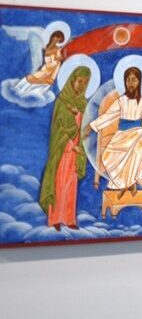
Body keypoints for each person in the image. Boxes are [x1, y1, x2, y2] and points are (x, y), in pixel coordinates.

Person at [89, 67, 142, 197]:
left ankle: (127, 186)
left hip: (138, 134)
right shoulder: (121, 101)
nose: (131, 83)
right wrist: (92, 126)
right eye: (128, 80)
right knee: (107, 156)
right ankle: (128, 184)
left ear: (139, 82)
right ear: (124, 82)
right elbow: (108, 116)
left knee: (134, 150)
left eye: (134, 80)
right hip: (121, 134)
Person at [38, 66, 90, 231]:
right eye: (79, 81)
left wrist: (79, 116)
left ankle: (69, 219)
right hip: (62, 151)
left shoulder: (83, 104)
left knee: (71, 186)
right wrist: (72, 144)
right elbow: (59, 128)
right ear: (72, 80)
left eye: (85, 83)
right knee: (59, 184)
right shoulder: (62, 102)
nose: (81, 85)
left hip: (75, 152)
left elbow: (85, 128)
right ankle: (55, 219)